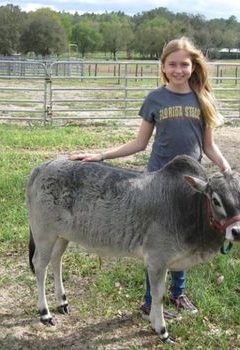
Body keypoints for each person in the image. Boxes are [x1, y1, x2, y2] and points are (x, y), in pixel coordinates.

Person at [70, 37, 231, 320]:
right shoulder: (155, 99)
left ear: (193, 66)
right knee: (159, 245)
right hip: (157, 182)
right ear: (163, 67)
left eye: (185, 64)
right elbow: (140, 143)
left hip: (192, 184)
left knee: (186, 237)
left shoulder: (202, 99)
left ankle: (177, 294)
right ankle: (149, 303)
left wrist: (226, 169)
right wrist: (101, 155)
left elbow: (209, 146)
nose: (179, 69)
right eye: (173, 64)